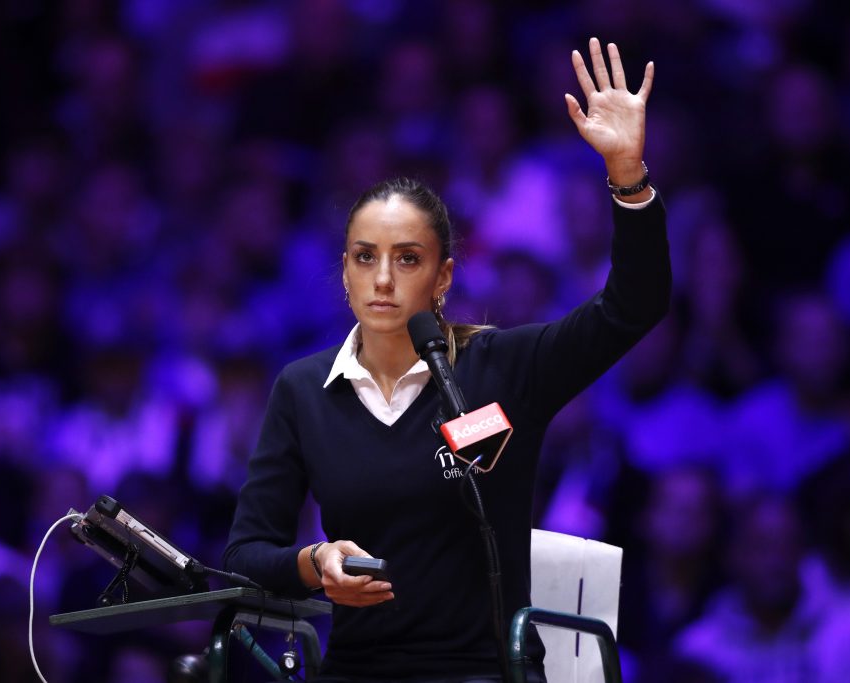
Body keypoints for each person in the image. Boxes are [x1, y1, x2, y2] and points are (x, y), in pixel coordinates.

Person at [224, 38, 669, 681]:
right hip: (357, 671)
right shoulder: (302, 390)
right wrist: (310, 562)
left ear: (443, 278)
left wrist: (628, 175)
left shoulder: (501, 368)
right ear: (344, 274)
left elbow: (635, 306)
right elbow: (245, 555)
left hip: (486, 670)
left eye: (407, 258)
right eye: (363, 257)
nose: (382, 279)